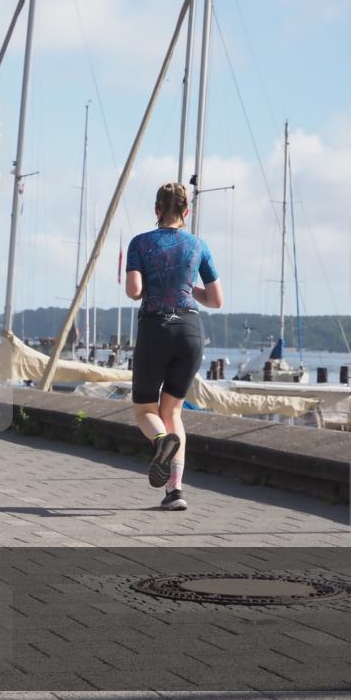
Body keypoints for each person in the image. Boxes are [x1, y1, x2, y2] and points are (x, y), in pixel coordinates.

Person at [125, 183, 223, 512]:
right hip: (190, 331)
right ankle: (175, 491)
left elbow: (134, 291)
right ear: (186, 211)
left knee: (145, 411)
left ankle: (160, 441)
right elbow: (216, 300)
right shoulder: (198, 245)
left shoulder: (140, 243)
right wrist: (187, 287)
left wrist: (151, 282)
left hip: (155, 329)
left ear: (156, 210)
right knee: (173, 412)